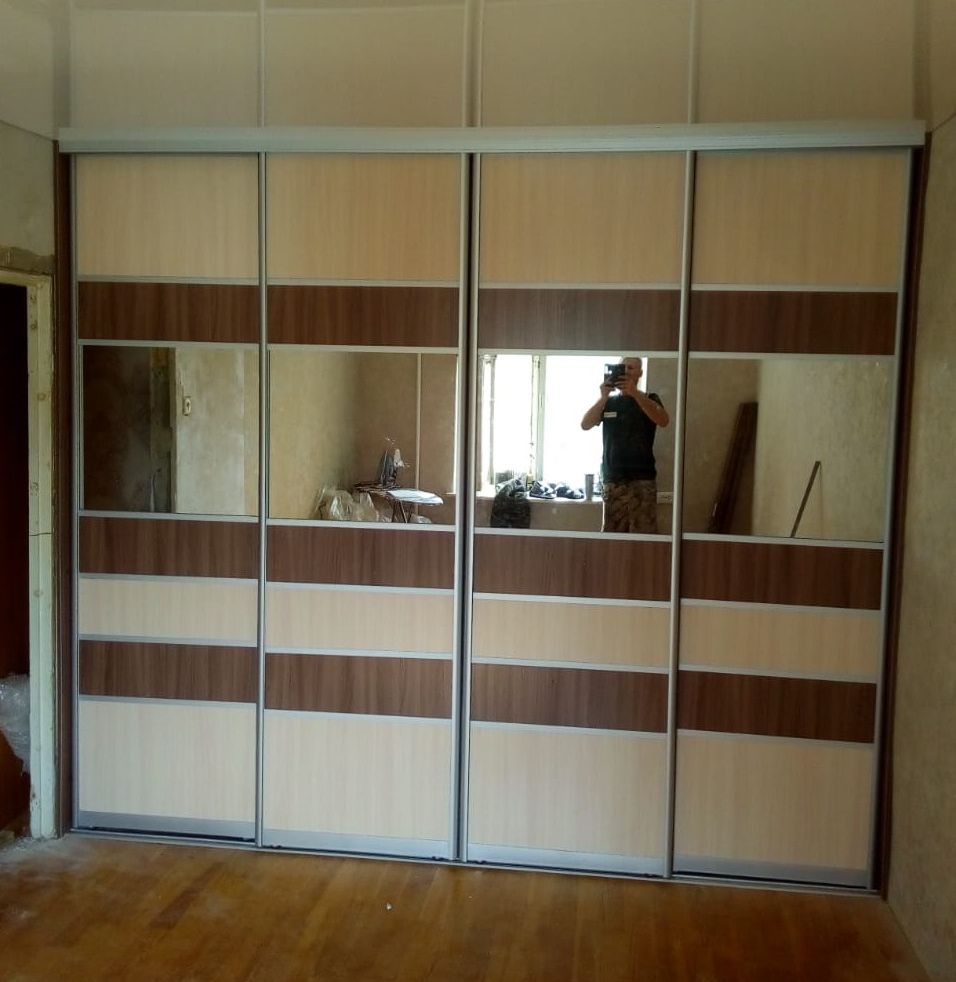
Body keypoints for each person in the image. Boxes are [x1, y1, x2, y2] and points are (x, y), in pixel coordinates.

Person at [580, 356, 670, 533]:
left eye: (631, 368)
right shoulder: (609, 402)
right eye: (623, 368)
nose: (626, 372)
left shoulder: (650, 398)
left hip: (642, 479)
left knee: (645, 534)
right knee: (613, 536)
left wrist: (635, 393)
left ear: (640, 373)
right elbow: (585, 424)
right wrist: (603, 397)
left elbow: (663, 420)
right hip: (613, 479)